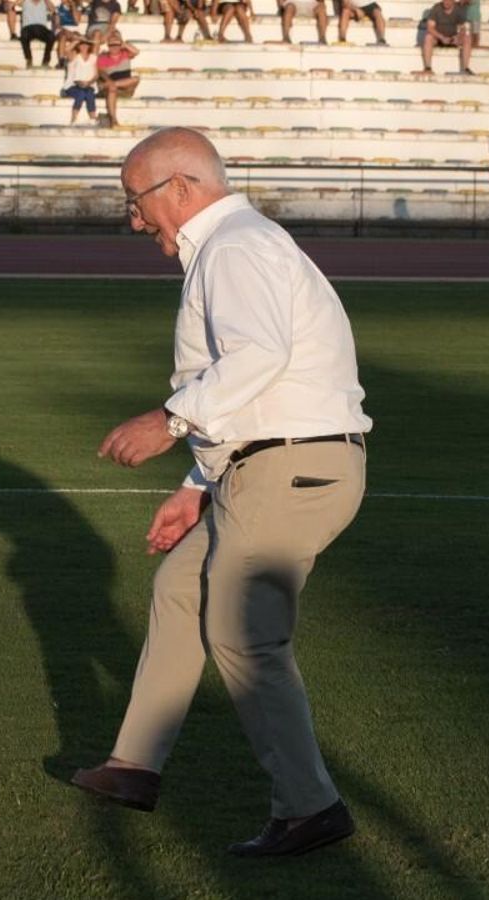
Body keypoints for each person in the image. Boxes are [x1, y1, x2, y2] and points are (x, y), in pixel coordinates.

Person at [71, 127, 370, 861]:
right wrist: (194, 486)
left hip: (291, 470)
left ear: (180, 187)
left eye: (137, 201)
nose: (135, 219)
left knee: (244, 633)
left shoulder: (234, 245)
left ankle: (311, 808)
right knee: (181, 587)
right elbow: (250, 387)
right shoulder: (232, 245)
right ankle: (134, 766)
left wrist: (169, 421)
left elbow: (260, 356)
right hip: (263, 466)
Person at [95, 30, 136, 126]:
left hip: (124, 88)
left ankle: (114, 84)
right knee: (112, 88)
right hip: (111, 88)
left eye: (116, 44)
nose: (114, 47)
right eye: (111, 45)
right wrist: (110, 82)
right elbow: (101, 72)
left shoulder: (125, 54)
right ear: (108, 46)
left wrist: (122, 42)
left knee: (136, 79)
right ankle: (113, 119)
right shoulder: (103, 57)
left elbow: (136, 51)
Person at [421, 0, 474, 73]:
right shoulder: (437, 8)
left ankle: (466, 68)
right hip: (439, 38)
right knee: (428, 37)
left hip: (453, 38)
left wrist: (457, 37)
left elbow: (463, 28)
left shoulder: (459, 9)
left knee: (467, 38)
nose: (447, 2)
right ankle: (428, 67)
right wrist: (441, 37)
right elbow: (430, 27)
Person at [62, 36, 95, 124]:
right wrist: (77, 41)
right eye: (82, 44)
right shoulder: (74, 55)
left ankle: (93, 119)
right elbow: (66, 50)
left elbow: (96, 74)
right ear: (78, 46)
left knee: (89, 92)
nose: (84, 46)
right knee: (81, 93)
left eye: (86, 44)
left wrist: (89, 82)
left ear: (89, 46)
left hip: (88, 85)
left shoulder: (93, 57)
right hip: (72, 86)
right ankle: (73, 119)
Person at [18, 0, 54, 65]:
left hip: (41, 28)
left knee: (51, 36)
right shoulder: (25, 1)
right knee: (23, 35)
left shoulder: (45, 1)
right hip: (28, 27)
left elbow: (53, 9)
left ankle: (46, 60)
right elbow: (14, 5)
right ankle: (29, 59)